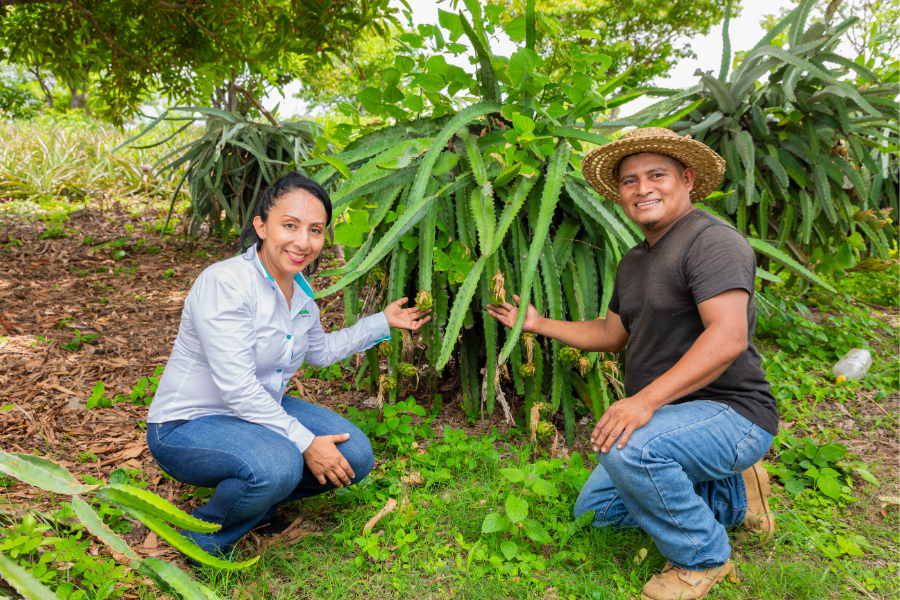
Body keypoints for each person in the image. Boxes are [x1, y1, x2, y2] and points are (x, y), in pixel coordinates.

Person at [487, 128, 777, 600]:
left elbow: (728, 337)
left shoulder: (711, 242)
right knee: (596, 513)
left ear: (686, 179)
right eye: (630, 181)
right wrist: (539, 324)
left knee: (630, 449)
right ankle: (735, 491)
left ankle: (701, 558)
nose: (643, 188)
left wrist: (643, 402)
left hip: (732, 413)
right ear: (620, 193)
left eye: (657, 175)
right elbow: (611, 334)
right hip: (673, 417)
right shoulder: (635, 261)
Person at [146, 172, 430, 557]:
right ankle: (204, 536)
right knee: (280, 463)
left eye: (315, 230)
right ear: (261, 226)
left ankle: (257, 503)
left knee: (356, 455)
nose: (303, 241)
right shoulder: (226, 283)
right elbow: (237, 388)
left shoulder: (300, 294)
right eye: (290, 225)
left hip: (257, 414)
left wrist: (382, 322)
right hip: (187, 424)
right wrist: (306, 442)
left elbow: (321, 352)